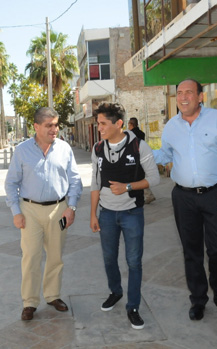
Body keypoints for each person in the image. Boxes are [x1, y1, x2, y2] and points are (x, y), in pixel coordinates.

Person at [153, 79, 217, 321]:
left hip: (215, 194)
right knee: (191, 251)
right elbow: (165, 154)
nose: (183, 97)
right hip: (183, 197)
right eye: (179, 92)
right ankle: (198, 299)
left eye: (189, 93)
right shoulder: (171, 126)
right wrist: (141, 152)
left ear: (200, 97)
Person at [4, 107, 83, 321]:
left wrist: (71, 207)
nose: (54, 129)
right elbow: (11, 183)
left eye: (56, 124)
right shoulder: (22, 151)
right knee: (31, 257)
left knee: (55, 256)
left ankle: (52, 296)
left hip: (59, 210)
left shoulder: (65, 149)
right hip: (29, 211)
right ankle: (29, 302)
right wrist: (16, 211)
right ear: (36, 127)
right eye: (49, 125)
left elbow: (75, 180)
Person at [90, 103, 160, 330]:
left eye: (103, 123)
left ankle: (133, 306)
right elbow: (95, 183)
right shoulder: (98, 149)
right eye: (98, 123)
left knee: (133, 262)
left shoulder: (139, 146)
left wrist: (128, 186)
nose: (99, 127)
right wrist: (93, 213)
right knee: (109, 258)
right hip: (107, 214)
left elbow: (155, 179)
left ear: (118, 124)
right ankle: (115, 292)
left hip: (132, 213)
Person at [128, 117, 156, 204]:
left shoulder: (130, 134)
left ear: (131, 124)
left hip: (133, 159)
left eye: (129, 124)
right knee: (140, 176)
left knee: (136, 177)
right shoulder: (141, 133)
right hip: (142, 157)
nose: (128, 126)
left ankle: (148, 195)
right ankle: (148, 195)